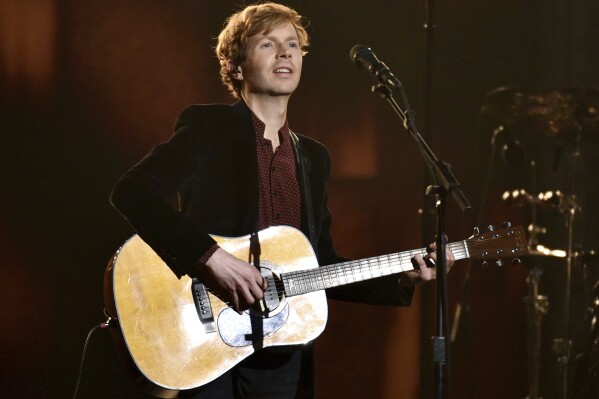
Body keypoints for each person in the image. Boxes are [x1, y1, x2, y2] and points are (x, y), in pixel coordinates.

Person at [110, 2, 454, 398]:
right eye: (268, 44)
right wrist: (209, 259)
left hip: (281, 354)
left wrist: (401, 276)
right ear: (235, 67)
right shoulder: (209, 129)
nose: (285, 52)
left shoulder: (313, 158)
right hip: (205, 344)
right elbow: (132, 192)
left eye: (292, 44)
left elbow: (319, 264)